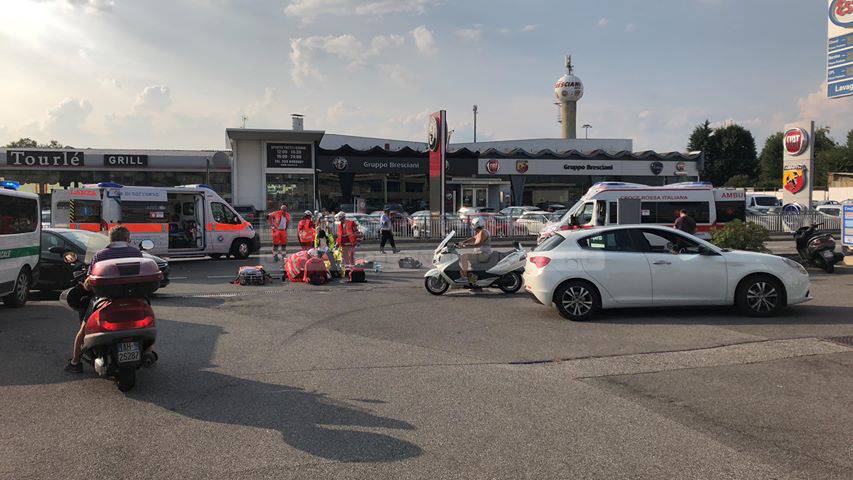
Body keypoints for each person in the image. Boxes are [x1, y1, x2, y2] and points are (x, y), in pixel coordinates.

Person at [65, 226, 154, 372]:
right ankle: (149, 350)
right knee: (147, 322)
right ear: (128, 239)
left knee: (83, 329)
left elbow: (89, 282)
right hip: (135, 297)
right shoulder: (135, 252)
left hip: (104, 298)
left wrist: (86, 284)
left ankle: (75, 362)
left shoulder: (100, 255)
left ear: (110, 239)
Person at [459, 217, 492, 283]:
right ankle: (474, 283)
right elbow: (473, 238)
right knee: (471, 267)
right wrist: (463, 242)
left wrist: (465, 245)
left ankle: (465, 277)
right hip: (481, 254)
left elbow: (478, 244)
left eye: (473, 225)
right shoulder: (481, 232)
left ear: (475, 225)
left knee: (463, 256)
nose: (472, 227)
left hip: (483, 254)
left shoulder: (483, 232)